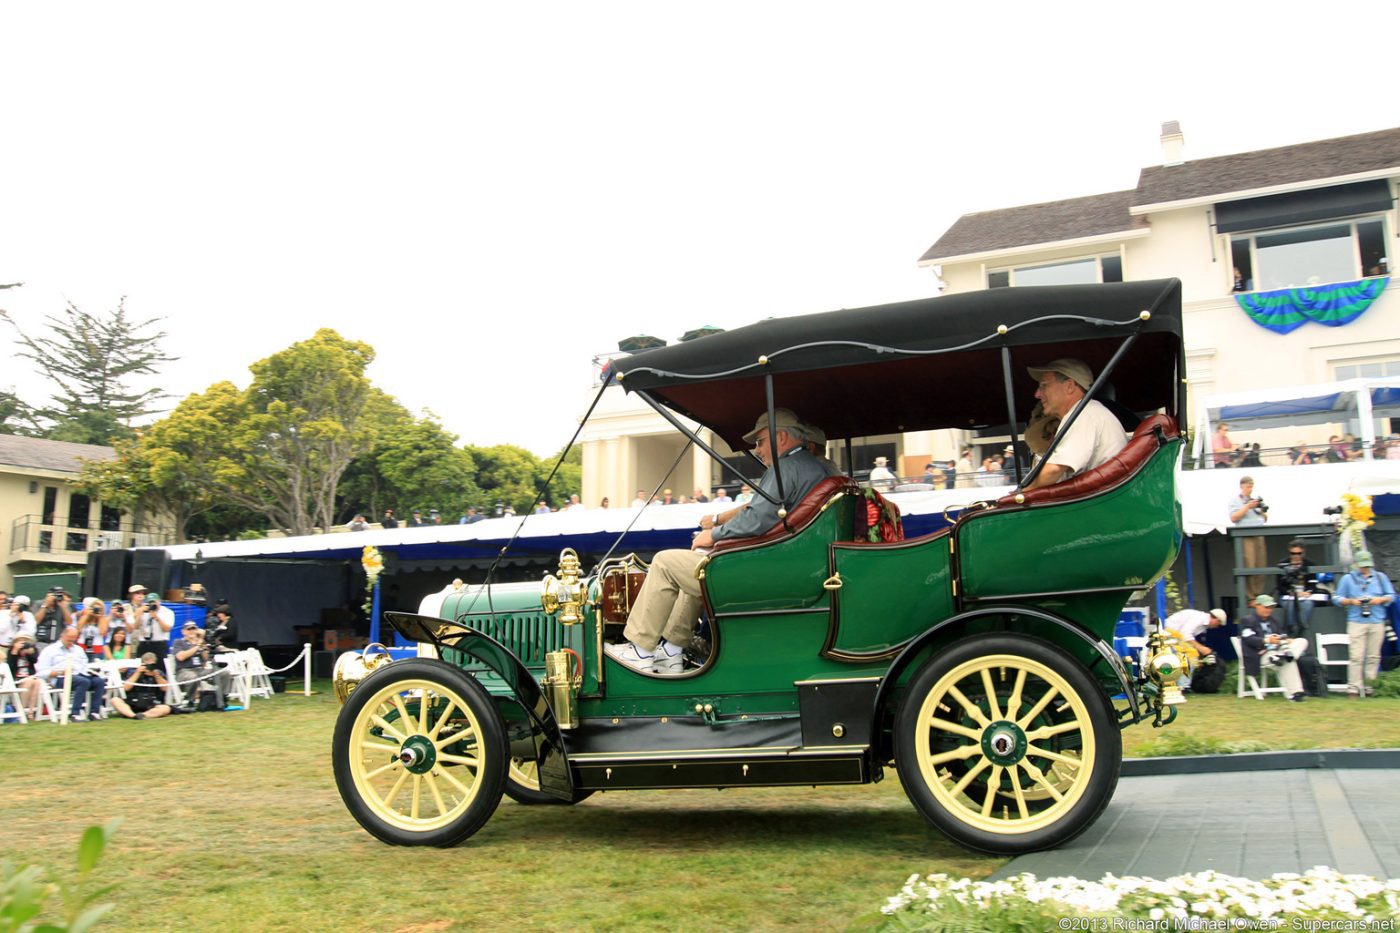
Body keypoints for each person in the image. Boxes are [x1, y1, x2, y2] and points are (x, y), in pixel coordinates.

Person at [605, 408, 836, 675]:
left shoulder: (785, 469)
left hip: (763, 572)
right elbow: (766, 516)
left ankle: (640, 650)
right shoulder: (817, 468)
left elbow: (757, 519)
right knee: (696, 565)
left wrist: (713, 535)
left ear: (781, 437)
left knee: (665, 562)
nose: (758, 450)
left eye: (760, 442)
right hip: (788, 565)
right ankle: (671, 651)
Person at [1024, 359, 1128, 490]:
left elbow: (1053, 470)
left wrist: (1020, 495)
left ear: (1070, 386)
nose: (1037, 394)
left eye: (1044, 385)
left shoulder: (1085, 413)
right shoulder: (1086, 412)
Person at [1331, 550, 1395, 698]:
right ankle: (1353, 688)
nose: (1365, 568)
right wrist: (1351, 601)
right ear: (1357, 564)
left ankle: (1370, 687)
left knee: (1373, 656)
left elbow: (1391, 595)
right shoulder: (1348, 579)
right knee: (1356, 656)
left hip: (1377, 620)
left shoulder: (1380, 577)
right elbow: (1337, 598)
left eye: (1367, 565)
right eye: (1362, 565)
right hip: (1356, 621)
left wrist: (1380, 600)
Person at [1237, 594, 1308, 702]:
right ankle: (1296, 692)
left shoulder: (1274, 620)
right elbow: (1249, 639)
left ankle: (1284, 656)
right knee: (1288, 661)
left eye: (1271, 607)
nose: (1269, 610)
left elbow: (1282, 635)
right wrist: (1267, 640)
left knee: (1302, 641)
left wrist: (1286, 639)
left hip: (1278, 651)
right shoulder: (1248, 620)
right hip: (1261, 653)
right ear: (1257, 606)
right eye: (1266, 607)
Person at [36, 626, 108, 720]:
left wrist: (91, 671)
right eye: (69, 640)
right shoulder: (49, 650)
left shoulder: (78, 649)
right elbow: (41, 672)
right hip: (60, 677)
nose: (71, 643)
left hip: (80, 674)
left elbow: (84, 665)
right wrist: (59, 672)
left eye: (73, 640)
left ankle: (94, 712)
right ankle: (75, 713)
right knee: (83, 682)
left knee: (99, 681)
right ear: (62, 636)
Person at [171, 621, 233, 710]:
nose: (192, 631)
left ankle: (222, 698)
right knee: (193, 677)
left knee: (224, 673)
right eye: (189, 629)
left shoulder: (200, 642)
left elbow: (206, 658)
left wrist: (202, 645)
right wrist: (197, 645)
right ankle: (190, 701)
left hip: (200, 669)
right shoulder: (179, 642)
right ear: (183, 631)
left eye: (194, 628)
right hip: (184, 670)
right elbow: (181, 657)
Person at [1229, 476, 1269, 598]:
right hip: (1245, 535)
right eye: (1248, 486)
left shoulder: (1254, 500)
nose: (1250, 489)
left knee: (1261, 565)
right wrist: (1247, 507)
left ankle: (1258, 594)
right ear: (1241, 486)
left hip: (1258, 533)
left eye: (1251, 486)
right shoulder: (1235, 501)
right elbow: (1234, 518)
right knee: (1249, 565)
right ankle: (1250, 596)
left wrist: (1261, 509)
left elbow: (1265, 518)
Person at [108, 652, 174, 720]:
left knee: (166, 708)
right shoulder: (133, 672)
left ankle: (143, 715)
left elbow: (165, 688)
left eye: (152, 665)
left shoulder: (158, 673)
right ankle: (133, 715)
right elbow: (126, 688)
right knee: (115, 700)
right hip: (132, 701)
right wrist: (138, 673)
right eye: (147, 665)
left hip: (151, 703)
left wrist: (156, 676)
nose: (149, 667)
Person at [1276, 540, 1320, 633]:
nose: (1296, 556)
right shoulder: (1282, 564)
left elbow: (1313, 584)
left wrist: (1308, 592)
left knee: (1307, 604)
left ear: (1303, 553)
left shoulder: (1310, 564)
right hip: (1288, 594)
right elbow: (1280, 586)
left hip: (1305, 594)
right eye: (1293, 553)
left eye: (1298, 553)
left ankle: (1301, 628)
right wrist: (1292, 593)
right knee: (1290, 604)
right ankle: (1292, 628)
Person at [4, 633, 44, 718]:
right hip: (16, 679)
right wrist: (15, 652)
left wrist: (30, 653)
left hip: (30, 677)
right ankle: (21, 710)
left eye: (25, 641)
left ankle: (30, 712)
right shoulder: (11, 652)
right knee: (30, 681)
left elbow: (36, 662)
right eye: (20, 641)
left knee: (37, 682)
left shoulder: (32, 650)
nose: (23, 643)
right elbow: (9, 668)